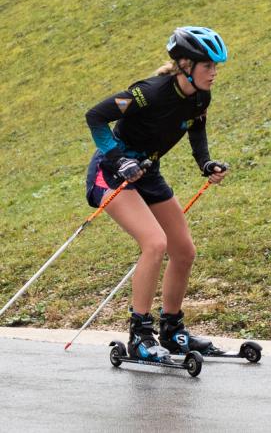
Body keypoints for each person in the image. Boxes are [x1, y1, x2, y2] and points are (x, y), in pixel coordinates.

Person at [84, 26, 228, 361]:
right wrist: (118, 159)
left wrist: (205, 163)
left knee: (184, 250)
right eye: (208, 65)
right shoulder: (148, 93)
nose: (214, 72)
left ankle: (172, 330)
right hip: (111, 173)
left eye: (215, 66)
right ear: (185, 65)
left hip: (148, 172)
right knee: (154, 243)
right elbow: (95, 117)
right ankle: (139, 335)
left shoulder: (200, 97)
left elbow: (197, 129)